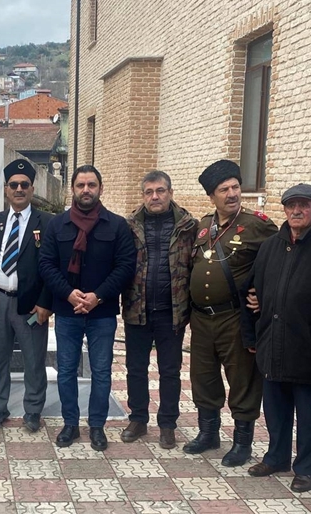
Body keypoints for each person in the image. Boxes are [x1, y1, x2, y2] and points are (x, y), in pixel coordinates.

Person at [241, 184, 311, 493]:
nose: (296, 210)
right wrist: (252, 333)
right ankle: (276, 457)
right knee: (275, 409)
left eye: (304, 205)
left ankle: (306, 469)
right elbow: (251, 291)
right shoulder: (270, 246)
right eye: (291, 205)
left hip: (308, 345)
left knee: (310, 415)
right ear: (283, 209)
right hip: (271, 340)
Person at [183, 159, 276, 466]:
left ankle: (242, 443)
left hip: (234, 318)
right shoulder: (202, 226)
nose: (232, 193)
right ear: (212, 196)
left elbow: (279, 262)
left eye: (235, 187)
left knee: (242, 379)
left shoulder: (258, 225)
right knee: (203, 377)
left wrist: (263, 295)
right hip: (201, 319)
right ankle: (208, 433)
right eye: (224, 189)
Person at [39, 164, 135, 451]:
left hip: (102, 313)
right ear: (72, 189)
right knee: (66, 371)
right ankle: (70, 424)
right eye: (80, 185)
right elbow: (46, 264)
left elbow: (125, 266)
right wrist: (69, 294)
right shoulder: (57, 225)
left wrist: (98, 296)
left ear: (100, 189)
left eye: (91, 185)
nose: (86, 190)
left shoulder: (117, 225)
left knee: (101, 372)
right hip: (67, 311)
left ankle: (97, 426)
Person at [121, 170, 197, 448]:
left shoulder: (189, 226)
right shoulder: (129, 225)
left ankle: (167, 424)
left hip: (172, 312)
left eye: (160, 191)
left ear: (170, 193)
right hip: (137, 309)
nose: (155, 196)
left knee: (170, 370)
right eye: (149, 192)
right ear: (143, 195)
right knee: (135, 369)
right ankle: (138, 419)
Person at [0, 159, 53, 432]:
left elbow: (54, 267)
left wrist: (46, 302)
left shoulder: (47, 223)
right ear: (6, 189)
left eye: (25, 184)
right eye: (14, 185)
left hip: (32, 306)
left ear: (32, 188)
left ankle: (33, 411)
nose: (19, 189)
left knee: (34, 361)